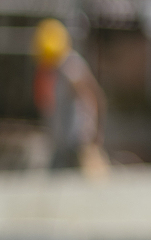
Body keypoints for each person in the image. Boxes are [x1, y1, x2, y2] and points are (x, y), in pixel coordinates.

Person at [31, 17, 107, 179]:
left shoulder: (71, 66)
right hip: (63, 140)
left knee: (91, 180)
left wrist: (96, 131)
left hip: (79, 139)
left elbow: (94, 96)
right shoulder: (51, 69)